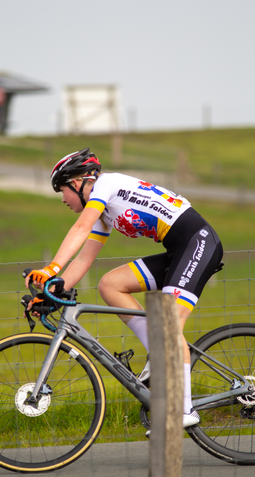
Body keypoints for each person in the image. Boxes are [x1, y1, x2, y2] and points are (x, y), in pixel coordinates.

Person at [25, 148, 223, 431]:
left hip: (198, 243)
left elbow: (80, 229)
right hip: (178, 250)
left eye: (62, 192)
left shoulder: (106, 185)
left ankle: (184, 409)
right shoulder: (103, 211)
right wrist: (50, 295)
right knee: (110, 284)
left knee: (168, 328)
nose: (63, 200)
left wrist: (51, 268)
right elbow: (84, 258)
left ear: (77, 182)